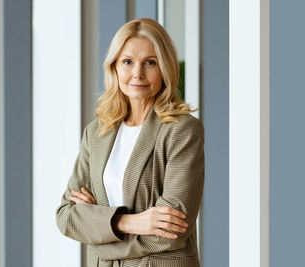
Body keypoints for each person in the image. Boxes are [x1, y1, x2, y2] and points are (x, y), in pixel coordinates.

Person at [56, 18, 204, 267]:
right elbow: (66, 216)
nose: (138, 73)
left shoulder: (182, 131)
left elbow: (172, 231)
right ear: (114, 67)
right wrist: (128, 222)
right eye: (127, 62)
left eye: (150, 62)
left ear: (165, 68)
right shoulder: (96, 133)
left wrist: (98, 234)